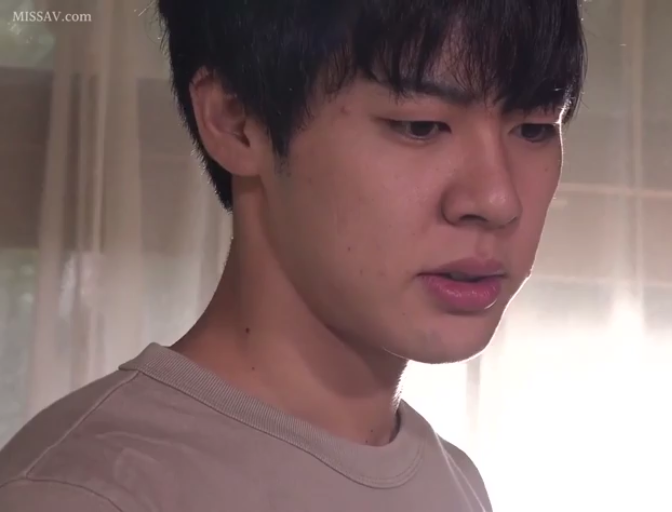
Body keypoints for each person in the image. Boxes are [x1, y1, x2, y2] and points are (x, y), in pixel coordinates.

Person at [0, 0, 586, 510]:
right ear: (236, 122)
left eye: (535, 128)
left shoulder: (454, 481)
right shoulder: (87, 492)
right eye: (420, 126)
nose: (497, 200)